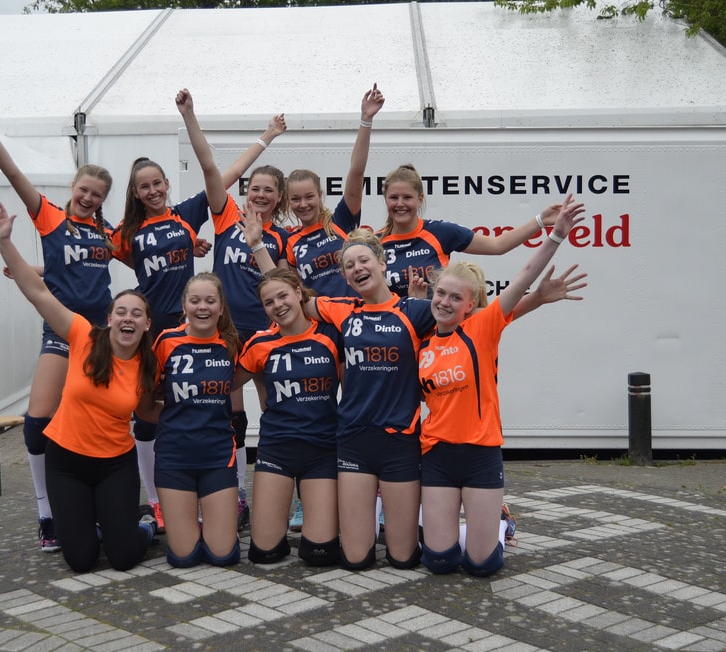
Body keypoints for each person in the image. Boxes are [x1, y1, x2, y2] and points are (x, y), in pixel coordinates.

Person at [248, 208, 584, 570]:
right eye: (349, 265)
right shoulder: (341, 310)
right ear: (343, 276)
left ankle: (485, 525)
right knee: (355, 560)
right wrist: (257, 246)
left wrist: (537, 295)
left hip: (401, 444)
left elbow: (482, 320)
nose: (357, 268)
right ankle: (384, 513)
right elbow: (286, 293)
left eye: (364, 260)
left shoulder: (416, 311)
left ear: (381, 263)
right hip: (354, 441)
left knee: (404, 559)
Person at [111, 100, 285, 534]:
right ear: (135, 192)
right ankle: (157, 502)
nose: (153, 191)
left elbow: (217, 171)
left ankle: (234, 495)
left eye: (157, 183)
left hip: (210, 326)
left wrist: (265, 135)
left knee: (226, 408)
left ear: (167, 184)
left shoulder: (187, 215)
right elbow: (101, 260)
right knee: (150, 412)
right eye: (144, 186)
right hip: (160, 329)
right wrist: (32, 269)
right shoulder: (127, 232)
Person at [0, 95, 115, 553]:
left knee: (93, 421)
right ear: (73, 187)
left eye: (97, 195)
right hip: (62, 333)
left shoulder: (106, 234)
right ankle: (46, 513)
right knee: (38, 420)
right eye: (84, 190)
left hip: (102, 337)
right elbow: (12, 173)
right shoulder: (51, 218)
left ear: (103, 200)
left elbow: (82, 269)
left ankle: (94, 504)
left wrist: (36, 269)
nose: (88, 198)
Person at [0, 202, 159, 574]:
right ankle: (94, 523)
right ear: (109, 318)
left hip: (116, 465)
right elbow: (39, 293)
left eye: (137, 314)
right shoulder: (83, 335)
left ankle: (143, 523)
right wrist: (4, 243)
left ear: (147, 325)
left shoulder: (148, 366)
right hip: (67, 463)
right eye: (121, 312)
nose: (128, 318)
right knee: (80, 560)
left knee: (123, 557)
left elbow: (149, 414)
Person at [418, 195, 585, 577]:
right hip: (437, 456)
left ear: (470, 305)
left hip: (480, 455)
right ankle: (466, 529)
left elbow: (524, 275)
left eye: (455, 298)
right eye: (440, 293)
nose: (444, 302)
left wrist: (557, 235)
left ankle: (500, 524)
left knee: (482, 566)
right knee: (439, 563)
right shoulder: (421, 341)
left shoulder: (482, 328)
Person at [179, 88, 290, 531]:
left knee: (275, 413)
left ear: (279, 199)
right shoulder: (225, 216)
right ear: (245, 191)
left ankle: (278, 495)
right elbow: (211, 167)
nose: (260, 195)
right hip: (224, 334)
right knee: (230, 417)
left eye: (269, 191)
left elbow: (283, 288)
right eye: (255, 188)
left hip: (262, 334)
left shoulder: (282, 239)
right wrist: (191, 116)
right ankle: (237, 495)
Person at [234, 269, 342, 566]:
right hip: (277, 449)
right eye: (268, 302)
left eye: (283, 296)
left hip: (322, 450)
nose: (278, 305)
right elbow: (226, 384)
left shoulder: (330, 335)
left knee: (320, 555)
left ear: (298, 292)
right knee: (263, 554)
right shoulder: (259, 344)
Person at [377, 163, 570, 301]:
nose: (400, 204)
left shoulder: (440, 232)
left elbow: (497, 245)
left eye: (407, 197)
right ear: (385, 199)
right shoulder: (374, 244)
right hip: (393, 339)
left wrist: (541, 220)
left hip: (436, 334)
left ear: (420, 199)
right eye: (394, 197)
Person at [152, 272, 241, 568]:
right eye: (195, 301)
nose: (202, 307)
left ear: (221, 308)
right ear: (184, 306)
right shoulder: (166, 341)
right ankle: (159, 523)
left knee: (222, 555)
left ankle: (215, 524)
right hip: (174, 457)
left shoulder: (231, 345)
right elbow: (145, 394)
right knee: (184, 557)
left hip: (217, 456)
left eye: (210, 301)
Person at [284, 84, 384, 298]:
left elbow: (357, 171)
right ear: (288, 202)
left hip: (356, 311)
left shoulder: (340, 221)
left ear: (320, 196)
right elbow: (295, 293)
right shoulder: (291, 242)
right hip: (321, 316)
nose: (303, 204)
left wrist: (366, 120)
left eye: (309, 196)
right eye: (296, 199)